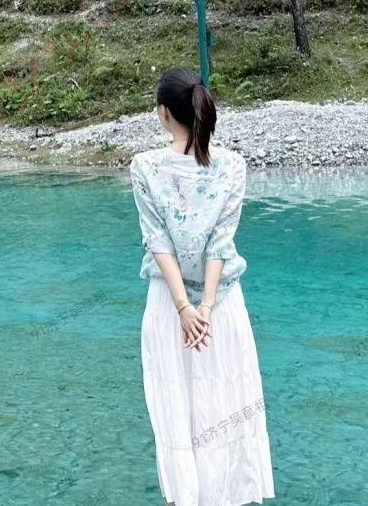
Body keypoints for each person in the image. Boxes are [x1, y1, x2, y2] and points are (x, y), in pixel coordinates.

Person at [129, 68, 275, 506]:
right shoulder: (231, 165)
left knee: (176, 409)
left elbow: (158, 241)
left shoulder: (145, 167)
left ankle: (185, 497)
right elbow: (221, 243)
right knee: (225, 406)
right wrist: (206, 307)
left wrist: (184, 308)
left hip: (169, 306)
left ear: (163, 113)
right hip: (221, 307)